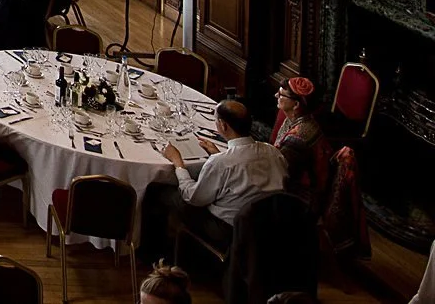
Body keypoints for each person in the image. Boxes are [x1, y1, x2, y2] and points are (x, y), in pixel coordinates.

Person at [141, 98, 288, 261]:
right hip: (268, 226)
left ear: (223, 126)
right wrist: (217, 154)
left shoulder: (222, 162)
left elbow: (193, 197)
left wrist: (178, 163)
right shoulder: (273, 152)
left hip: (227, 230)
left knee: (158, 189)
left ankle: (154, 254)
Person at [274, 75, 329, 209]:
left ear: (296, 104)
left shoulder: (298, 137)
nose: (276, 96)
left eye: (281, 95)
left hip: (300, 199)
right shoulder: (296, 120)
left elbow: (281, 173)